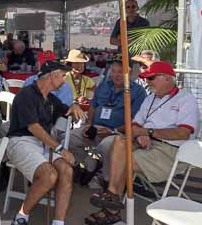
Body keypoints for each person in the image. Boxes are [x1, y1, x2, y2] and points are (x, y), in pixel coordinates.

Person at [86, 62, 200, 225]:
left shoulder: (185, 99)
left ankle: (111, 206)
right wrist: (139, 135)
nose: (148, 82)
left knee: (122, 160)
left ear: (168, 78)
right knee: (118, 141)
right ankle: (112, 195)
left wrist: (149, 132)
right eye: (147, 79)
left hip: (170, 150)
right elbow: (135, 125)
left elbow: (183, 132)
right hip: (144, 142)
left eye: (152, 78)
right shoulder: (150, 98)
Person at [6, 60, 87, 225]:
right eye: (63, 76)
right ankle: (21, 216)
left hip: (42, 144)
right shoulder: (26, 94)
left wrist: (75, 104)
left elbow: (67, 109)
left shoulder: (49, 98)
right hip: (21, 141)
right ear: (53, 75)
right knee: (49, 175)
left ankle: (58, 222)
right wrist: (59, 148)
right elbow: (33, 127)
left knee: (66, 170)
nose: (65, 80)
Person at [69, 60, 147, 182]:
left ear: (129, 73)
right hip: (95, 128)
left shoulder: (138, 91)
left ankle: (107, 179)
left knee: (107, 145)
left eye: (121, 72)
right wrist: (89, 125)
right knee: (69, 138)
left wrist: (113, 131)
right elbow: (93, 107)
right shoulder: (104, 85)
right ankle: (88, 165)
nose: (116, 75)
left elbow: (135, 119)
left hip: (118, 133)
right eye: (113, 71)